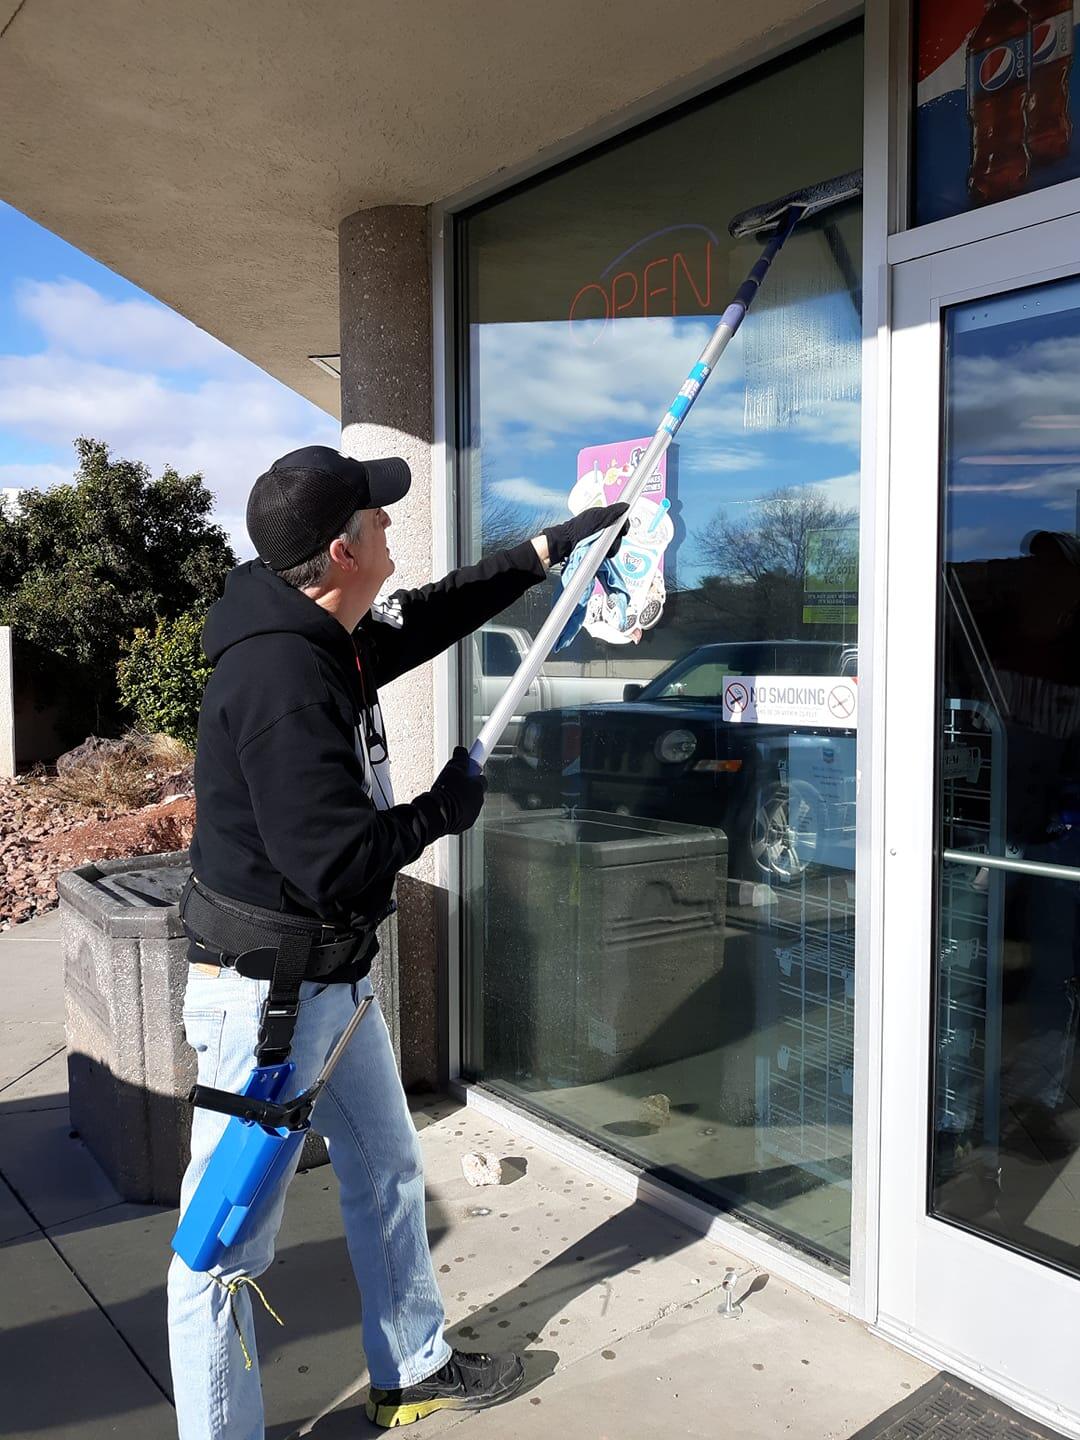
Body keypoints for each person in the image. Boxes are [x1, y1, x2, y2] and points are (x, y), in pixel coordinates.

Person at [166, 444, 626, 1437]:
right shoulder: (285, 680)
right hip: (268, 1010)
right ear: (340, 552)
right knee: (219, 1253)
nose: (391, 529)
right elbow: (338, 863)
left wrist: (546, 550)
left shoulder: (319, 626)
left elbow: (429, 616)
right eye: (377, 521)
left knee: (386, 1169)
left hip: (327, 982)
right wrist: (438, 812)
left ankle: (411, 1367)